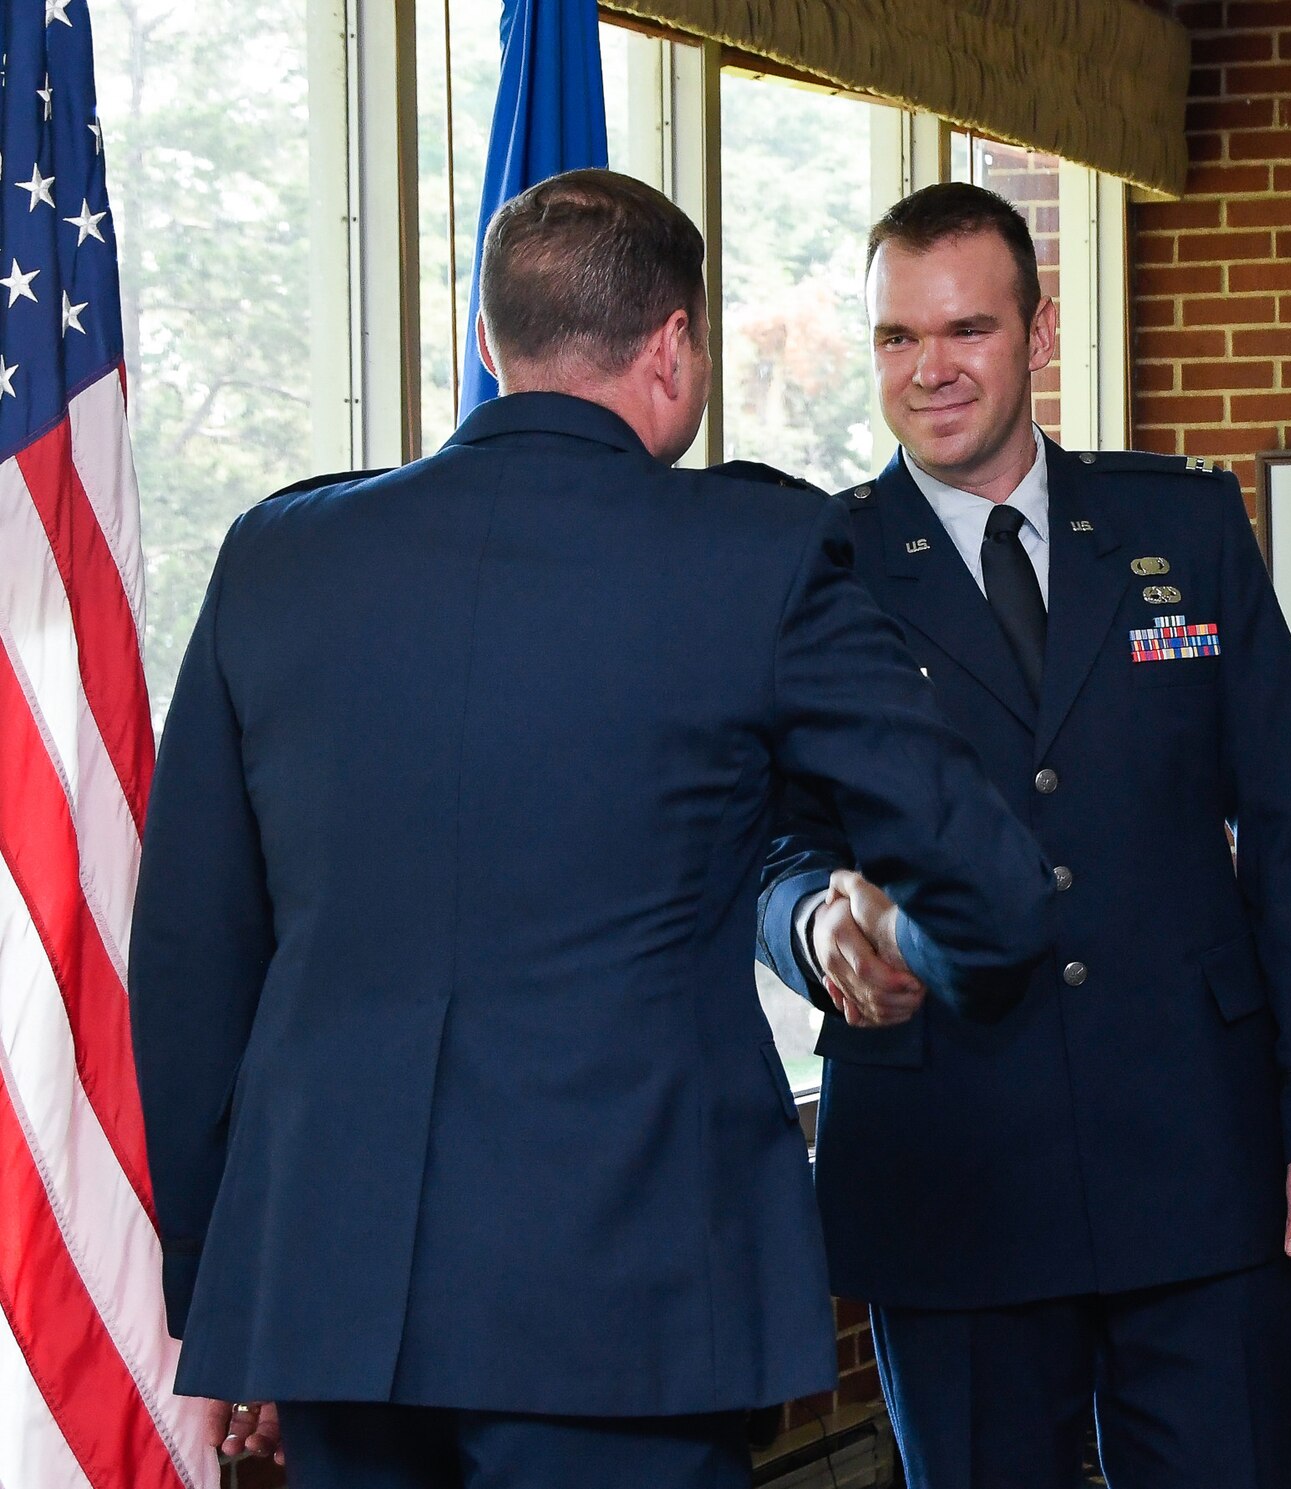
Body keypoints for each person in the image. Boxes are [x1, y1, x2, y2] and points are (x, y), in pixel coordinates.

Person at [127, 169, 1056, 1489]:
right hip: (629, 1297)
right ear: (671, 348)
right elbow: (991, 883)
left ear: (492, 345)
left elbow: (190, 958)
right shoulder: (758, 554)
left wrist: (229, 1290)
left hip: (330, 1293)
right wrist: (924, 965)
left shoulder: (277, 555)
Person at [755, 182, 1291, 1489]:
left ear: (1039, 339)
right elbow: (763, 840)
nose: (929, 370)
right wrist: (811, 919)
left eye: (967, 329)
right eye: (895, 338)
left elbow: (1287, 824)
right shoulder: (819, 562)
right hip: (952, 1156)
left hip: (1193, 1146)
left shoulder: (1184, 527)